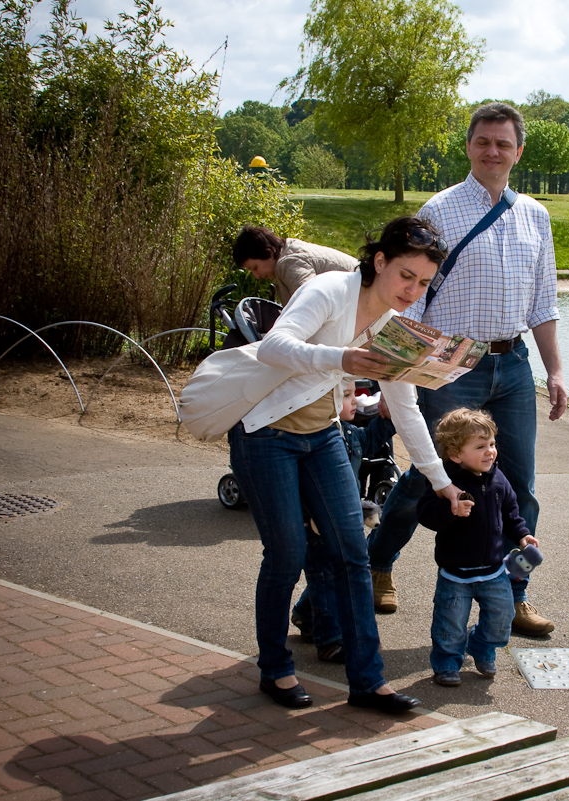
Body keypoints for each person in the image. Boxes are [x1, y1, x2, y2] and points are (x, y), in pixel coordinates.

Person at [226, 216, 464, 711]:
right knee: (287, 553)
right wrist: (343, 360)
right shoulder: (330, 289)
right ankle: (275, 668)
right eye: (405, 276)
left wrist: (441, 481)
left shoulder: (395, 328)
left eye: (422, 283)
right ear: (379, 262)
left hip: (320, 435)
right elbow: (273, 345)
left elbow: (406, 408)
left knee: (353, 554)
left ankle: (369, 683)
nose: (411, 290)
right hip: (265, 432)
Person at [367, 101, 568, 636]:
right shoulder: (439, 210)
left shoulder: (536, 216)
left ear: (518, 151)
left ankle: (514, 593)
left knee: (519, 487)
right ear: (469, 147)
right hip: (451, 368)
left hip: (513, 365)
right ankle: (378, 563)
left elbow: (543, 304)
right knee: (427, 481)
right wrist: (394, 377)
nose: (493, 151)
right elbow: (407, 299)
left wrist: (554, 371)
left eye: (504, 143)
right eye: (484, 141)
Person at [417, 408, 538, 686]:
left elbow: (511, 513)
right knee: (450, 625)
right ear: (456, 454)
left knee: (501, 618)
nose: (490, 452)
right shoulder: (445, 483)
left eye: (492, 444)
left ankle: (482, 645)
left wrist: (522, 536)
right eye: (481, 447)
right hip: (455, 573)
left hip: (494, 571)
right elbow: (424, 514)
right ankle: (447, 663)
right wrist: (451, 511)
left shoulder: (498, 479)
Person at [290, 380, 396, 662]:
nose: (355, 401)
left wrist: (391, 412)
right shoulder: (309, 439)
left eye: (354, 394)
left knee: (336, 573)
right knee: (325, 575)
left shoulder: (351, 434)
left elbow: (375, 437)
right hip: (314, 522)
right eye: (346, 396)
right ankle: (330, 639)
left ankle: (304, 613)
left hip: (345, 517)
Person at [232, 226, 358, 305]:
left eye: (255, 268)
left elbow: (311, 305)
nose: (256, 276)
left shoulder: (289, 263)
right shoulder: (288, 250)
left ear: (268, 253)